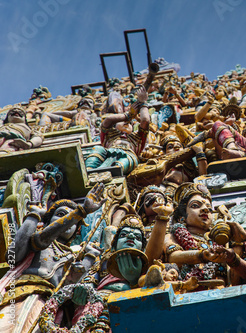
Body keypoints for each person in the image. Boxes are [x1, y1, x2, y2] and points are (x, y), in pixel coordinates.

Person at [0, 183, 105, 332]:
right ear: (48, 221)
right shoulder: (42, 241)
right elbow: (20, 250)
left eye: (73, 222)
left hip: (51, 310)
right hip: (23, 296)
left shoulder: (73, 255)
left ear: (77, 231)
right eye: (61, 215)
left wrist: (89, 258)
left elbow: (73, 290)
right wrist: (80, 212)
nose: (68, 221)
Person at [145, 183, 227, 287]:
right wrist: (202, 255)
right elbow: (173, 257)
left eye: (209, 208)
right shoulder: (173, 235)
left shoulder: (217, 241)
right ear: (182, 217)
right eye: (195, 206)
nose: (205, 209)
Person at [85, 85, 149, 174]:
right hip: (108, 152)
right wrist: (128, 115)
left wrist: (143, 103)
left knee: (126, 160)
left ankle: (115, 170)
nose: (127, 123)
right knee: (98, 149)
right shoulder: (109, 135)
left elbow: (145, 121)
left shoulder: (137, 139)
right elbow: (108, 120)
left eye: (130, 123)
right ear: (114, 126)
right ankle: (89, 170)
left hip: (128, 155)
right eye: (124, 121)